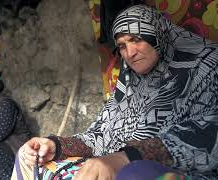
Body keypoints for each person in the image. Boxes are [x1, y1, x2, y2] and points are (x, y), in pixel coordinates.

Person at [17, 4, 218, 180]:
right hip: (126, 162)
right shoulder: (131, 81)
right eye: (122, 45)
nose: (130, 53)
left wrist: (127, 157)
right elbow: (102, 136)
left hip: (191, 172)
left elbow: (208, 135)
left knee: (134, 174)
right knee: (33, 161)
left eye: (136, 39)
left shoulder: (208, 66)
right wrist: (57, 146)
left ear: (158, 34)